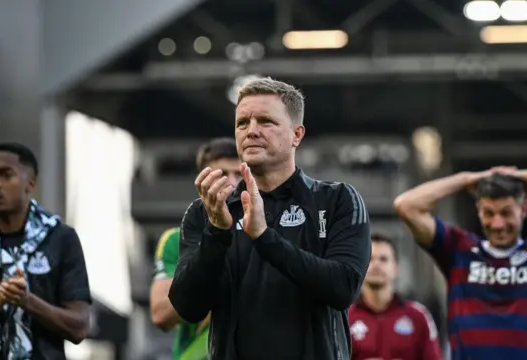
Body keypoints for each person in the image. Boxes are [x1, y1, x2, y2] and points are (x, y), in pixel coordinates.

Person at [169, 77, 372, 360]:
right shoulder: (207, 211)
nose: (251, 131)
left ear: (296, 135)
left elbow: (343, 288)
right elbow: (188, 307)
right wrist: (216, 233)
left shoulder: (337, 200)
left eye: (265, 121)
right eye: (242, 123)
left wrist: (265, 238)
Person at [393, 166, 527, 359]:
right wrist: (465, 179)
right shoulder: (457, 250)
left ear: (524, 210)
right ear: (479, 212)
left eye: (506, 212)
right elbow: (407, 205)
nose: (498, 224)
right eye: (488, 213)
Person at [0, 142, 91, 360]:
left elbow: (79, 328)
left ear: (30, 183)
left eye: (5, 175)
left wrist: (28, 301)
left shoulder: (60, 239)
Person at [150, 137, 241, 360]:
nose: (231, 182)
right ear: (201, 181)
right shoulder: (175, 239)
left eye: (239, 174)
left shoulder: (267, 234)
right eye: (221, 174)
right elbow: (160, 313)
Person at [349, 232, 443, 360]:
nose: (376, 265)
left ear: (395, 268)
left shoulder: (418, 316)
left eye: (383, 259)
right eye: (370, 259)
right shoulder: (346, 317)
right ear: (360, 266)